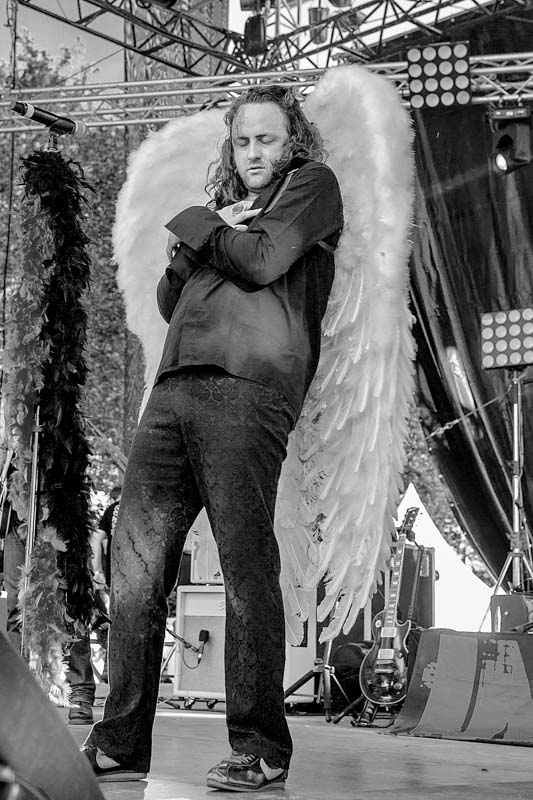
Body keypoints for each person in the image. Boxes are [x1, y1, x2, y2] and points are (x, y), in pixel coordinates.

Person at [82, 84, 343, 791]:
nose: (253, 152)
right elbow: (172, 303)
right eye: (242, 140)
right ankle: (121, 742)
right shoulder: (224, 218)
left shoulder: (311, 187)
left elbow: (261, 261)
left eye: (266, 139)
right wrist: (188, 246)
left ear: (292, 141)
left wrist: (199, 224)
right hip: (174, 388)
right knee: (135, 569)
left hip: (249, 387)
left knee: (243, 566)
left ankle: (260, 747)